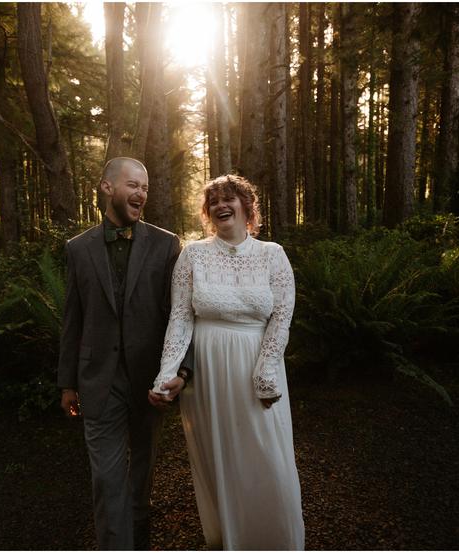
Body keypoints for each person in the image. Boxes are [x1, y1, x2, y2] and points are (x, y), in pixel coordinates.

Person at [149, 174, 305, 550]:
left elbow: (281, 318)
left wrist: (265, 373)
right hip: (209, 372)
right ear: (207, 212)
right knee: (219, 458)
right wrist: (166, 374)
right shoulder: (193, 255)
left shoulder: (273, 255)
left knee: (269, 459)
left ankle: (275, 541)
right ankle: (229, 539)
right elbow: (181, 318)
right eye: (214, 200)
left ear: (247, 207)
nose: (222, 204)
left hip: (257, 367)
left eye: (229, 198)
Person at [57, 157, 193, 550]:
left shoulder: (167, 244)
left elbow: (179, 316)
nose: (141, 194)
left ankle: (141, 535)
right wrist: (67, 382)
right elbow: (73, 318)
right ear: (106, 188)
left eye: (146, 188)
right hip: (98, 381)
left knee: (142, 475)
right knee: (107, 478)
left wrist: (181, 372)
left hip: (150, 380)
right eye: (133, 185)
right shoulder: (78, 249)